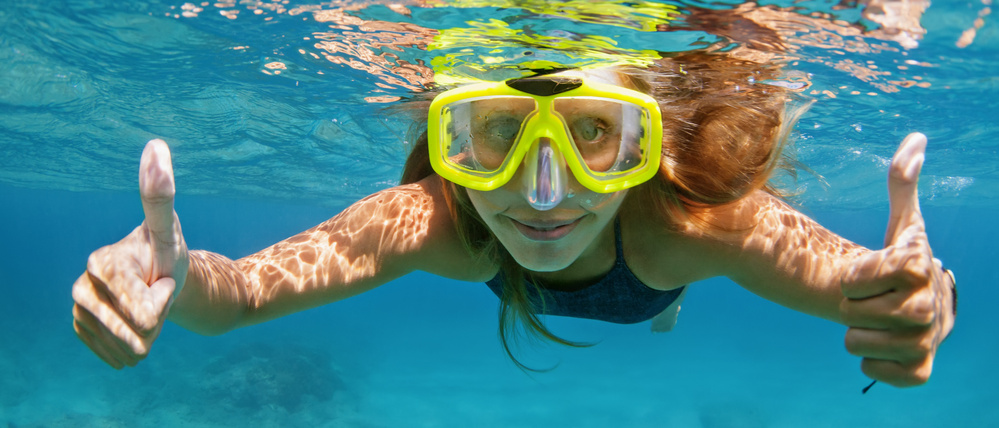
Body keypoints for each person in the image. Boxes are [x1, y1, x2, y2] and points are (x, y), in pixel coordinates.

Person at [71, 54, 955, 389]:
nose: (541, 193)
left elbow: (868, 287)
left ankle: (667, 304)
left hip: (654, 278)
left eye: (594, 138)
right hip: (594, 271)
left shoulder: (696, 224)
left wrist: (922, 298)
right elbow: (242, 297)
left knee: (665, 293)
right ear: (447, 140)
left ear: (648, 145)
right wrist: (173, 277)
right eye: (495, 133)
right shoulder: (429, 223)